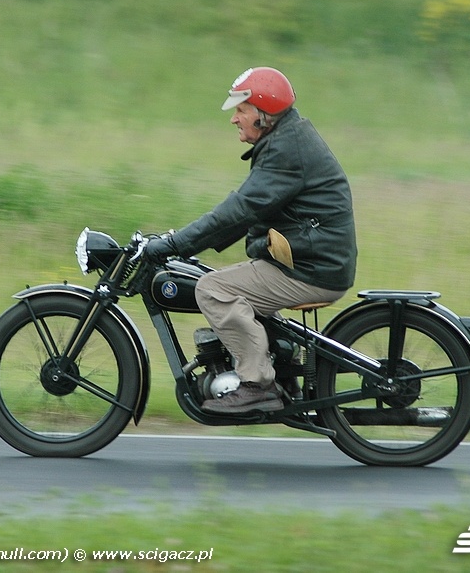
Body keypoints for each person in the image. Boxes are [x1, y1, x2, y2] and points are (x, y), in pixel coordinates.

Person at [145, 67, 357, 414]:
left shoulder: (286, 150)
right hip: (311, 259)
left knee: (212, 289)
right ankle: (280, 369)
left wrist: (174, 244)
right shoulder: (287, 139)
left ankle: (257, 385)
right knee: (223, 281)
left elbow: (240, 210)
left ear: (264, 113)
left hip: (312, 268)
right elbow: (247, 213)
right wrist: (184, 242)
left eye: (241, 110)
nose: (234, 119)